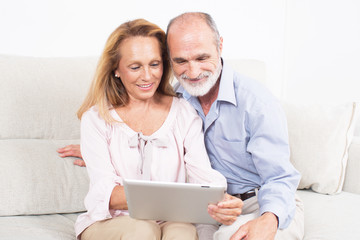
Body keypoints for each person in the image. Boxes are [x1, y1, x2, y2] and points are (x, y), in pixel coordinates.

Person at [60, 12, 304, 240]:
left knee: (187, 233)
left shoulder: (247, 102)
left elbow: (276, 177)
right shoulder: (183, 95)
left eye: (201, 57)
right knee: (148, 230)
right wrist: (104, 151)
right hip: (192, 209)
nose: (193, 71)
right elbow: (105, 184)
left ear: (220, 46)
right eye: (181, 61)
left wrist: (268, 218)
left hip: (257, 200)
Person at [73, 18, 230, 240]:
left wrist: (220, 198)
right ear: (116, 69)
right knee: (143, 230)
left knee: (183, 232)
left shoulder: (184, 112)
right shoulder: (97, 119)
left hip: (169, 218)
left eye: (154, 64)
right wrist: (176, 197)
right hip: (112, 221)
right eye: (135, 67)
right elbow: (104, 192)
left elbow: (204, 178)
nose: (147, 76)